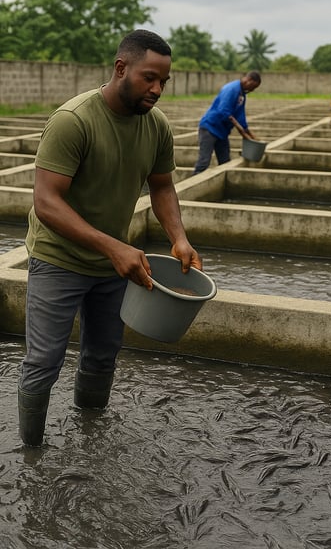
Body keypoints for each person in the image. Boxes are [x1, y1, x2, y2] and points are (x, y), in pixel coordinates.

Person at [18, 29, 203, 447]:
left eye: (164, 82)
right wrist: (113, 246)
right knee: (44, 362)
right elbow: (47, 202)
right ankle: (32, 453)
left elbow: (162, 186)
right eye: (149, 78)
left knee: (103, 354)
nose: (157, 90)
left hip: (112, 265)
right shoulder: (74, 121)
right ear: (121, 68)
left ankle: (90, 439)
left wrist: (179, 237)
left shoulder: (155, 126)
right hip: (58, 259)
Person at [193, 70, 261, 174]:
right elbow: (224, 111)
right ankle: (193, 184)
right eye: (253, 87)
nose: (252, 90)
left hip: (222, 132)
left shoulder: (242, 94)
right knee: (204, 162)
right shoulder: (231, 89)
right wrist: (241, 132)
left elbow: (240, 116)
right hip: (210, 128)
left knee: (225, 162)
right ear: (249, 80)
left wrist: (251, 135)